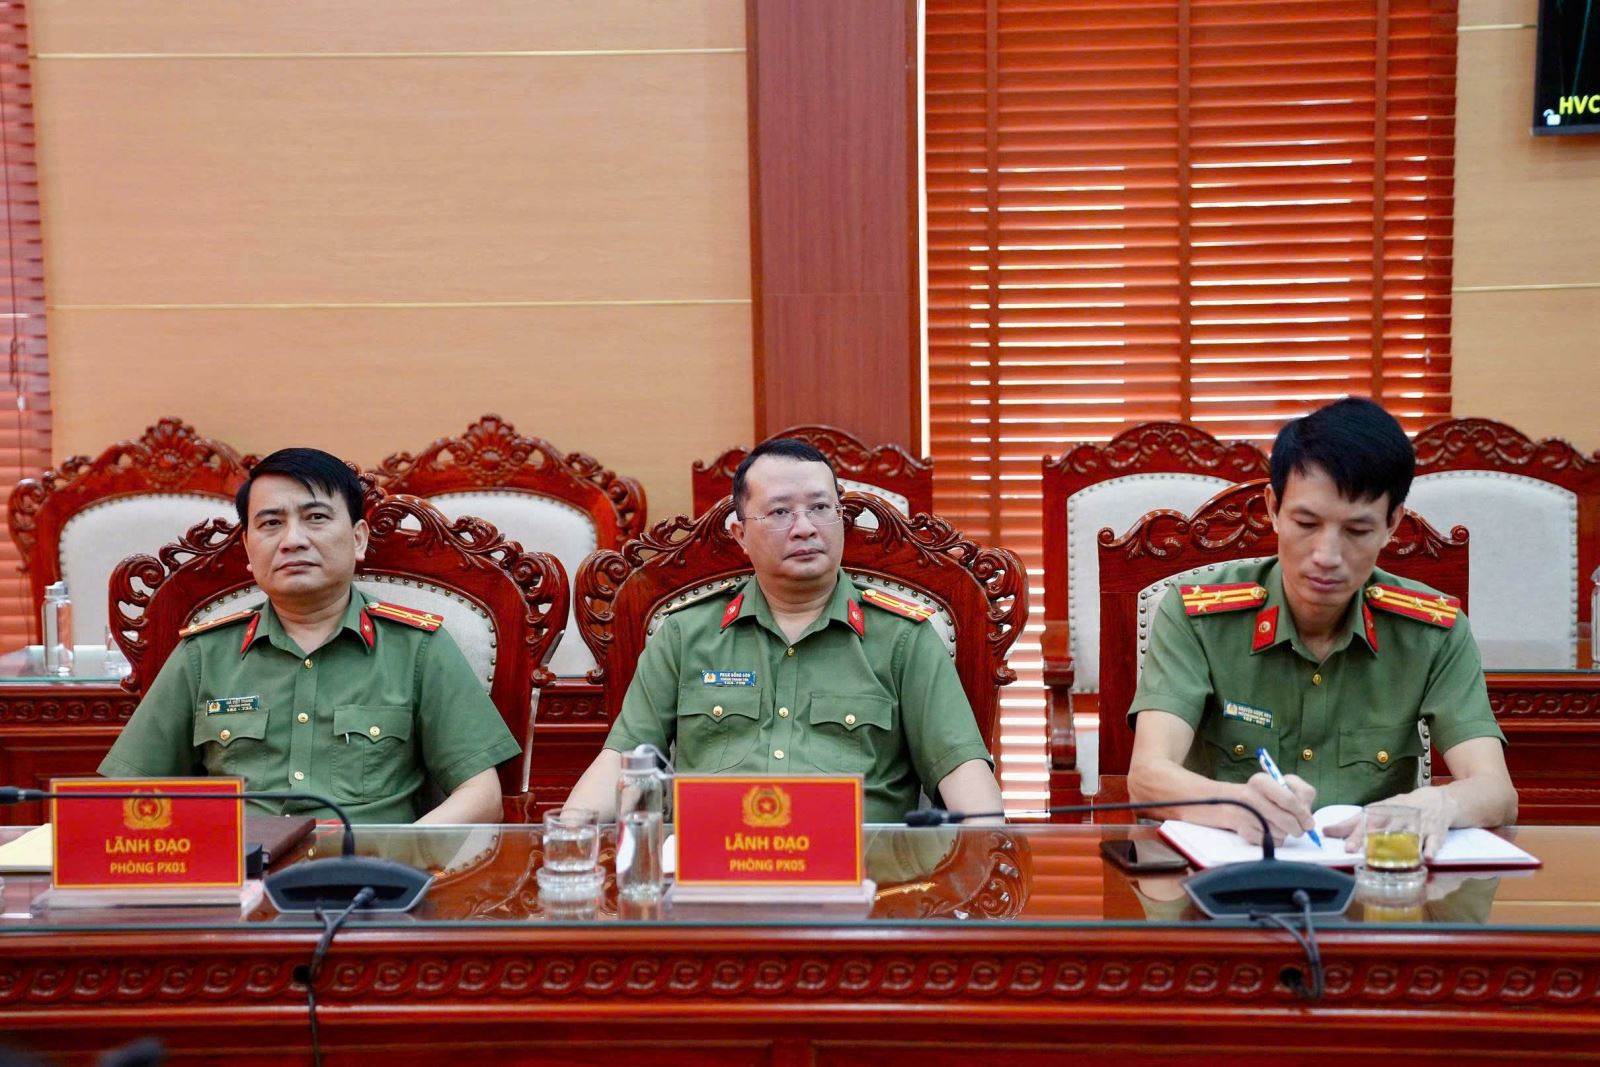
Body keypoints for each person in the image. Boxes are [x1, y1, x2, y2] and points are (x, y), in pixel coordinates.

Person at [1126, 398, 1517, 857]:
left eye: (1357, 531)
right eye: (1307, 523)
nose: (1327, 555)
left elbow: (1497, 791)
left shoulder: (1433, 631)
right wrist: (1235, 804)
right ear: (1273, 508)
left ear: (1392, 523)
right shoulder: (1197, 617)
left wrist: (1441, 802)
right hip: (1228, 879)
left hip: (1372, 881)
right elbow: (1146, 776)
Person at [564, 438, 1004, 823]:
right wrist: (571, 837)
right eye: (780, 512)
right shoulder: (684, 633)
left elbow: (962, 773)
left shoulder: (903, 637)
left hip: (866, 878)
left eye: (820, 508)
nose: (805, 528)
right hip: (713, 872)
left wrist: (983, 858)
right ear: (740, 534)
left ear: (842, 517)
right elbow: (622, 763)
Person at [99, 448, 521, 823]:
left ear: (358, 538)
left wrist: (404, 856)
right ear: (248, 550)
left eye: (316, 517)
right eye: (271, 523)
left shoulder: (418, 647)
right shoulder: (204, 653)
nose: (293, 540)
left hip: (371, 875)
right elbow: (129, 792)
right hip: (244, 875)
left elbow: (482, 796)